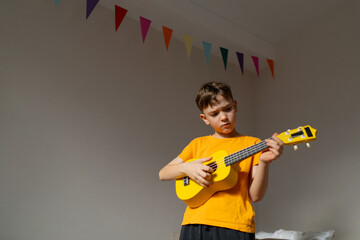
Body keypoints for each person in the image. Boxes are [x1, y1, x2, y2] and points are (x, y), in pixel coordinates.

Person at [159, 81, 284, 240]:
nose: (224, 117)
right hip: (195, 224)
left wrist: (265, 163)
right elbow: (163, 173)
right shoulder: (198, 144)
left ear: (235, 105)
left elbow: (256, 196)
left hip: (236, 226)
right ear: (204, 118)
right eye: (214, 114)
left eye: (228, 109)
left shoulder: (253, 144)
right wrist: (187, 168)